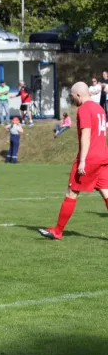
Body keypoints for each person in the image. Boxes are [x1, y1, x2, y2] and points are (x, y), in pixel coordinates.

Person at [39, 82, 108, 240]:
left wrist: (82, 160)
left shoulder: (84, 109)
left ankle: (58, 230)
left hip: (89, 158)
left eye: (72, 96)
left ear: (78, 95)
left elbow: (86, 134)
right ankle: (57, 230)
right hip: (103, 156)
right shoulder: (100, 109)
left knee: (71, 192)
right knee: (106, 193)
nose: (72, 99)